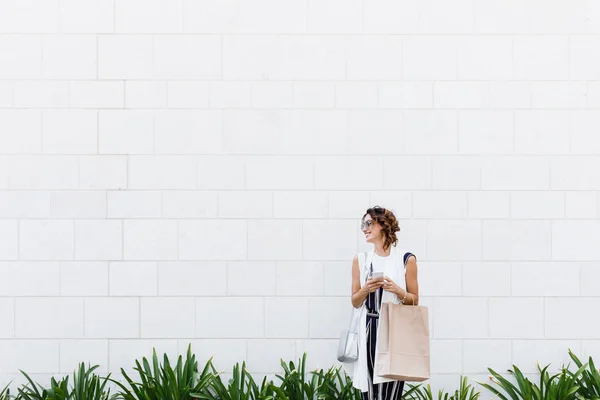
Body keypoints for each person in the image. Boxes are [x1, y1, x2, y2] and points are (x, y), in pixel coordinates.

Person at [350, 206, 420, 400]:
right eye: (362, 224)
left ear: (382, 225)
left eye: (368, 223)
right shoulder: (361, 260)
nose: (364, 229)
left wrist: (398, 290)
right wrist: (366, 289)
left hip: (395, 329)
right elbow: (355, 302)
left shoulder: (407, 259)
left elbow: (414, 300)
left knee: (392, 389)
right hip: (369, 328)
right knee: (370, 390)